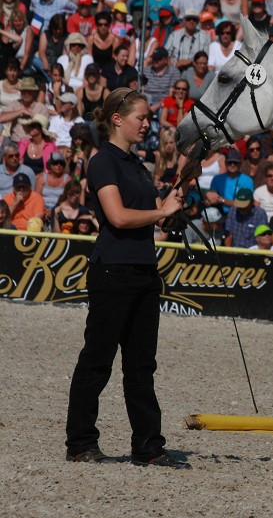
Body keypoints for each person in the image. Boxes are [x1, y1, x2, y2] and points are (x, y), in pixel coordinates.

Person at [65, 88, 187, 468]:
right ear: (117, 118)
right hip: (113, 270)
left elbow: (157, 218)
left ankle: (148, 446)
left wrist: (172, 203)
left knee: (141, 365)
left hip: (145, 271)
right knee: (97, 360)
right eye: (141, 117)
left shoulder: (138, 166)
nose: (148, 124)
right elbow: (117, 217)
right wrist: (158, 212)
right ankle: (81, 442)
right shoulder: (103, 163)